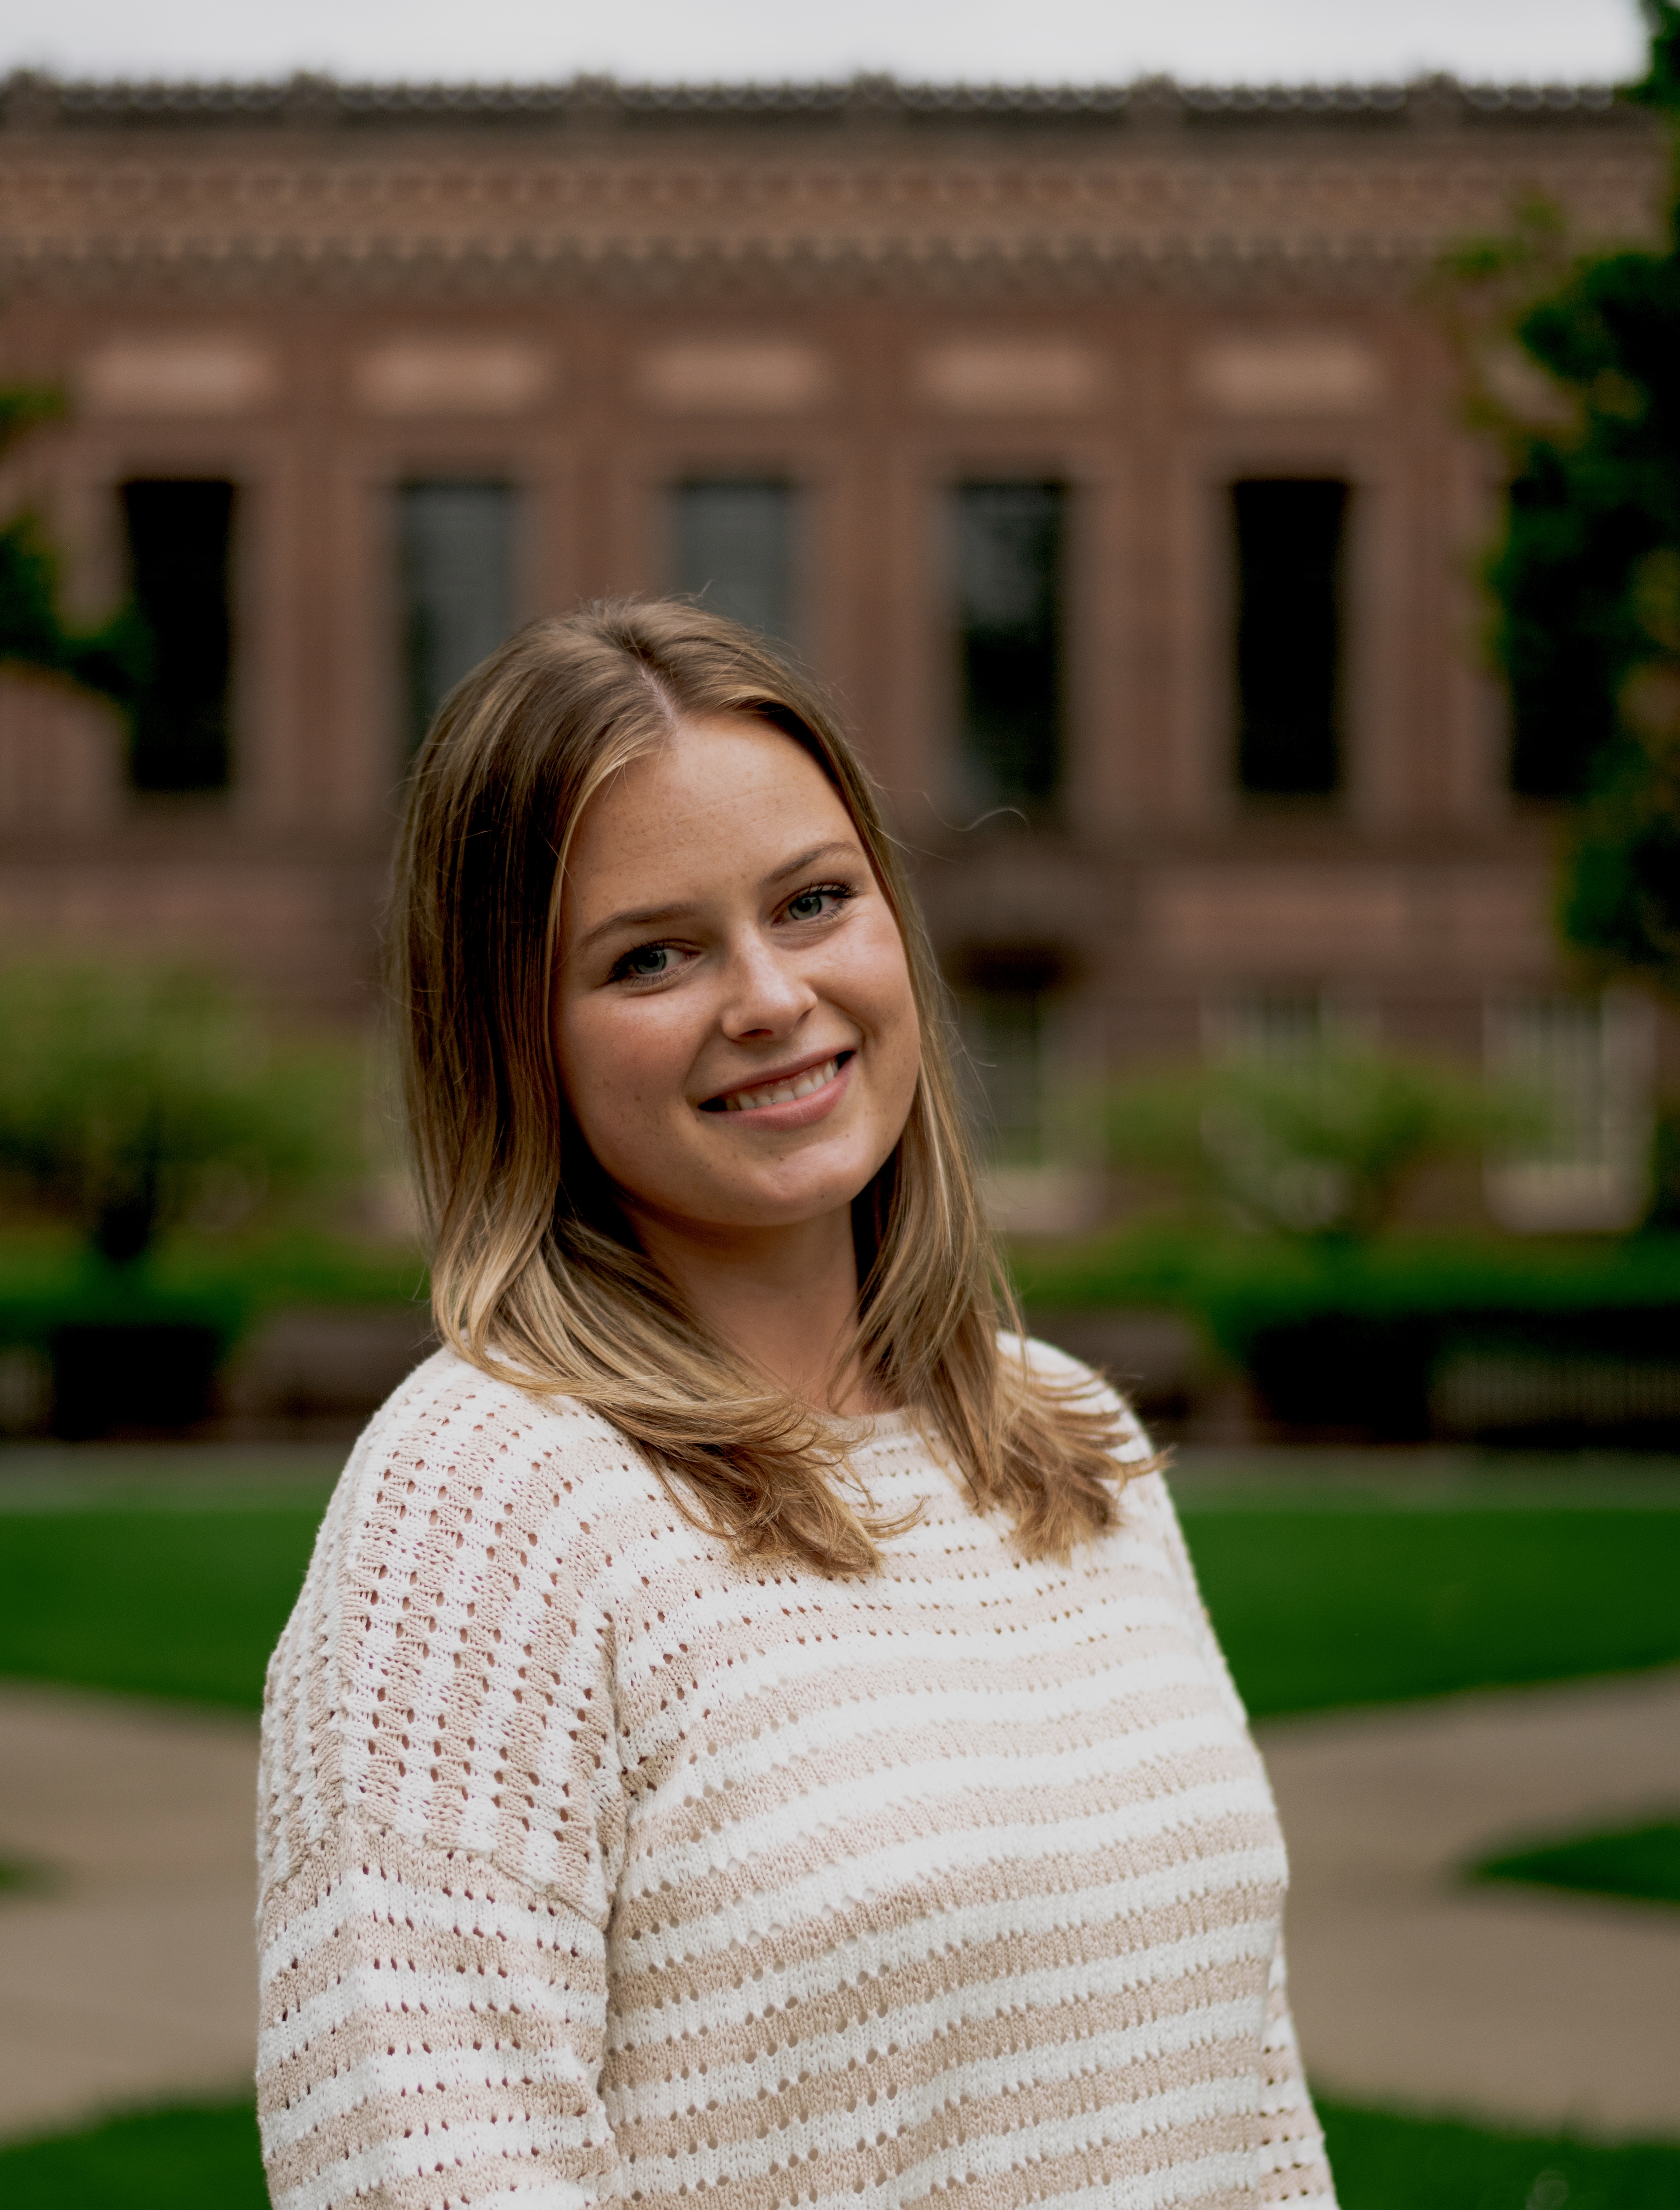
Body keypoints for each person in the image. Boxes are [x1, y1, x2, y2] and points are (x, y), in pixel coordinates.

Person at [256, 601, 1337, 2210]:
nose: (769, 996)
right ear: (513, 1037)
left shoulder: (1073, 1439)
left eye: (814, 901)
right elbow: (424, 2164)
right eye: (652, 955)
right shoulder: (480, 1504)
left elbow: (1252, 2109)